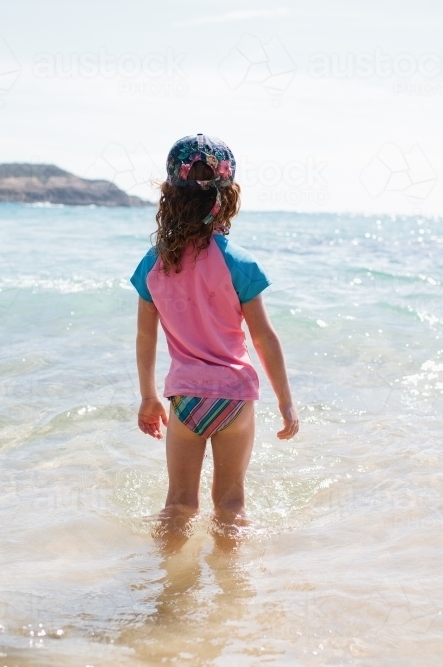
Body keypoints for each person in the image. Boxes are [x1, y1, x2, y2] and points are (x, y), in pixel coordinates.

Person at [130, 134, 299, 542]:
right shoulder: (238, 262)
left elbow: (144, 337)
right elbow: (264, 339)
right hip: (234, 398)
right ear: (227, 197)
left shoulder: (154, 264)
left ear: (170, 195)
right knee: (231, 505)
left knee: (179, 505)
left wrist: (149, 396)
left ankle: (167, 593)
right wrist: (285, 401)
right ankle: (234, 595)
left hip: (186, 399)